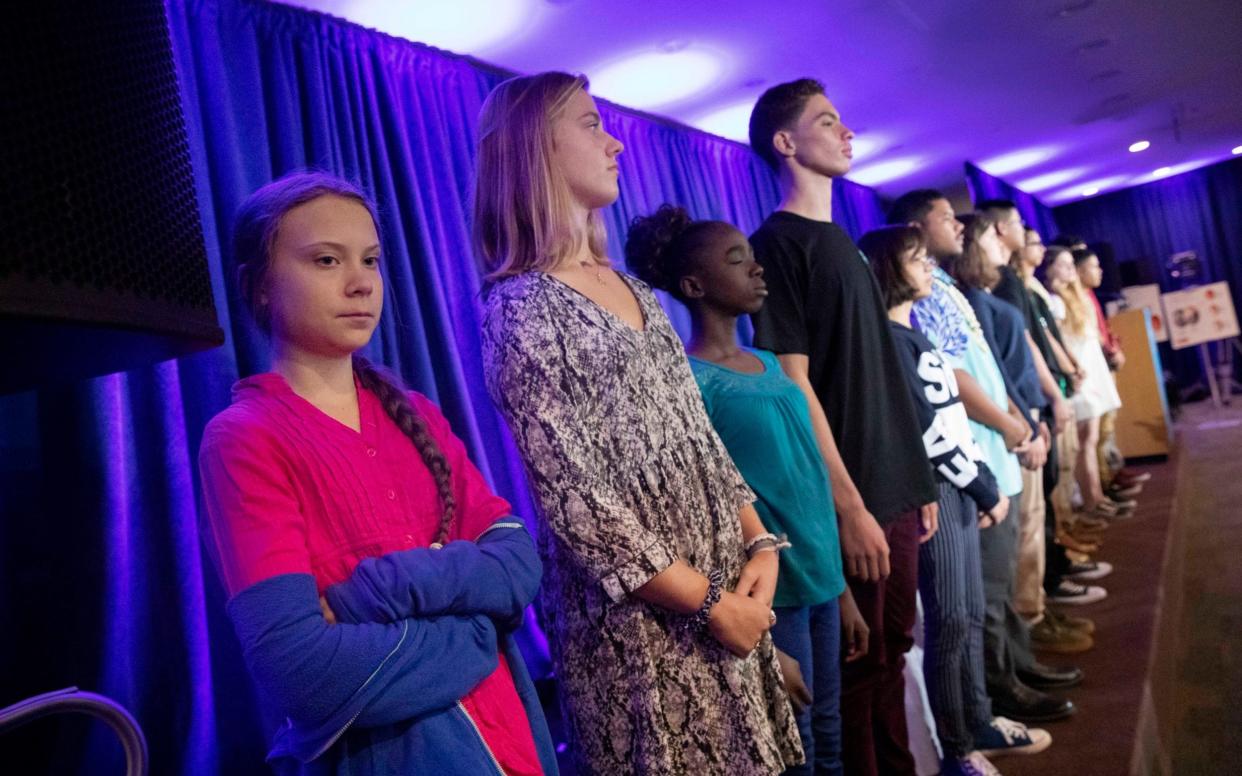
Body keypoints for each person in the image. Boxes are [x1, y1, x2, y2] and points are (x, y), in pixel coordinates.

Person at [475, 72, 802, 775]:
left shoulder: (641, 295)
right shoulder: (521, 306)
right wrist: (714, 606)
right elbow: (579, 503)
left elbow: (699, 438)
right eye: (591, 124)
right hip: (642, 631)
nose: (615, 141)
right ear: (537, 146)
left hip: (721, 595)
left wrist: (761, 544)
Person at [198, 171, 557, 774]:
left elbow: (518, 564)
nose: (361, 282)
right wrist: (478, 632)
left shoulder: (416, 414)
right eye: (326, 260)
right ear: (259, 286)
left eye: (370, 259)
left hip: (515, 740)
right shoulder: (244, 439)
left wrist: (371, 593)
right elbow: (302, 671)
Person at [626, 203, 868, 775]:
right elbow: (705, 502)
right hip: (769, 594)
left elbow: (807, 478)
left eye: (754, 258)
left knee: (831, 729)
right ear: (694, 285)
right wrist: (762, 641)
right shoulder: (691, 379)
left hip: (822, 579)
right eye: (738, 260)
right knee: (799, 738)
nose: (756, 270)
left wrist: (843, 589)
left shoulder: (768, 361)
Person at [746, 78, 939, 776]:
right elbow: (795, 383)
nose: (846, 131)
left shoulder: (847, 245)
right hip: (850, 496)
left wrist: (917, 481)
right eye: (827, 121)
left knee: (892, 653)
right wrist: (850, 506)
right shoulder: (775, 244)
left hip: (896, 485)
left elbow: (881, 376)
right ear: (786, 142)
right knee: (857, 676)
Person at [861, 225, 1041, 775]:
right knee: (952, 619)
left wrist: (979, 477)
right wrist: (983, 484)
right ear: (892, 269)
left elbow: (949, 421)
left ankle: (975, 720)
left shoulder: (914, 336)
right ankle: (958, 748)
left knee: (963, 615)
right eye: (917, 260)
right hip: (940, 487)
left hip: (959, 484)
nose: (929, 270)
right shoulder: (889, 342)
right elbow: (928, 432)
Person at [1045, 249, 1129, 519]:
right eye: (1064, 265)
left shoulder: (1077, 296)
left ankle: (1098, 495)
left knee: (1091, 439)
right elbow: (1058, 340)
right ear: (1050, 269)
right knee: (1085, 441)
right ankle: (1092, 498)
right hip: (1080, 374)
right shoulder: (1055, 301)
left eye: (1072, 264)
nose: (1071, 270)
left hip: (1091, 369)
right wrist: (1072, 370)